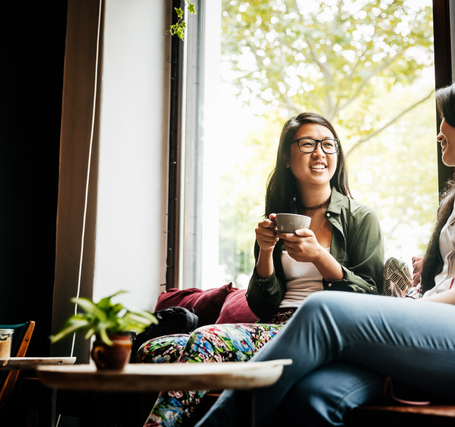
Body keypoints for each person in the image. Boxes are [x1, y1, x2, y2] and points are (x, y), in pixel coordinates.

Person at [194, 69, 455, 427]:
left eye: (446, 120)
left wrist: (409, 311)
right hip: (446, 336)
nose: (439, 132)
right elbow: (442, 282)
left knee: (324, 308)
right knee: (311, 396)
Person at [141, 112, 385, 427]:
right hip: (271, 326)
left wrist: (319, 257)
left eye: (328, 144)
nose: (320, 153)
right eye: (308, 143)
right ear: (286, 157)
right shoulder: (279, 219)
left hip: (315, 331)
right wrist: (266, 252)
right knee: (153, 349)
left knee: (205, 340)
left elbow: (372, 293)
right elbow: (262, 305)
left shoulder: (360, 217)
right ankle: (231, 368)